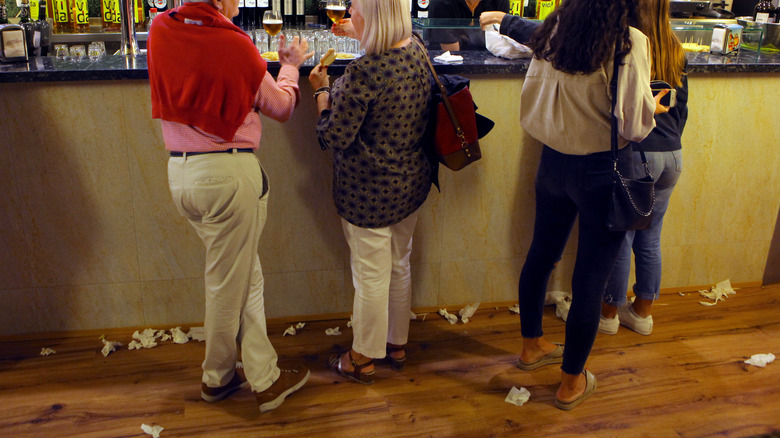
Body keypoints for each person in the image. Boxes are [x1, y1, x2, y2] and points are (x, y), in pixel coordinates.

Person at [147, 0, 313, 412]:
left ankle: (248, 375)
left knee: (242, 278)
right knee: (228, 284)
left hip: (181, 177)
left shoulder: (160, 30)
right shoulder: (236, 46)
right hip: (226, 178)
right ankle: (223, 378)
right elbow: (282, 107)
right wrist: (290, 66)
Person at [502, 0, 669, 410]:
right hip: (599, 171)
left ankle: (531, 347)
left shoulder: (552, 31)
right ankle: (570, 384)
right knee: (590, 280)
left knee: (541, 256)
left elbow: (533, 99)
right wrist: (653, 108)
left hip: (551, 163)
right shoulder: (627, 41)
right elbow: (633, 124)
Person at [309, 0, 432, 384]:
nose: (348, 12)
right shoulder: (416, 48)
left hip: (369, 193)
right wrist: (357, 31)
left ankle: (361, 357)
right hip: (410, 184)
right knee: (399, 265)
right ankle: (396, 343)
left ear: (374, 16)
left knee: (370, 277)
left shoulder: (365, 71)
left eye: (355, 8)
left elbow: (334, 135)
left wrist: (320, 93)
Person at [598, 0, 688, 337]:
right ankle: (642, 313)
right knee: (650, 240)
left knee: (622, 237)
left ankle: (608, 315)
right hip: (672, 155)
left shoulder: (627, 43)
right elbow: (682, 110)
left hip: (639, 154)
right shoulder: (675, 48)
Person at [430, 0, 510, 51]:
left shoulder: (500, 1)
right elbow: (451, 51)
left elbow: (503, 44)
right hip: (445, 70)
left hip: (491, 71)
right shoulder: (441, 3)